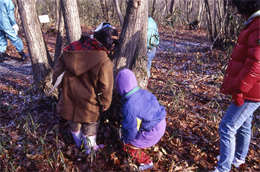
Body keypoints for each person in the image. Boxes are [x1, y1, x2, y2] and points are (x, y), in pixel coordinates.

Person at [52, 26, 118, 154]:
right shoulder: (104, 61)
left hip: (69, 96)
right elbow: (106, 85)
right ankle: (89, 151)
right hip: (90, 102)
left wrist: (58, 85)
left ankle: (79, 145)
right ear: (108, 43)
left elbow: (57, 71)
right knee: (90, 124)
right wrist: (105, 102)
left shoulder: (71, 49)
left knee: (74, 122)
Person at [213, 1, 260, 172]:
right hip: (251, 88)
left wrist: (240, 89)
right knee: (244, 124)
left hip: (251, 90)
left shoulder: (258, 25)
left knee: (227, 126)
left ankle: (223, 168)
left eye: (239, 11)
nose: (239, 15)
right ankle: (238, 158)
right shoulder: (254, 23)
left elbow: (256, 63)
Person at [115, 69, 166, 170]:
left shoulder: (129, 106)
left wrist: (124, 140)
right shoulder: (143, 92)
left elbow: (130, 129)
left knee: (128, 146)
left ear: (120, 89)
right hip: (161, 123)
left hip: (152, 132)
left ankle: (147, 162)